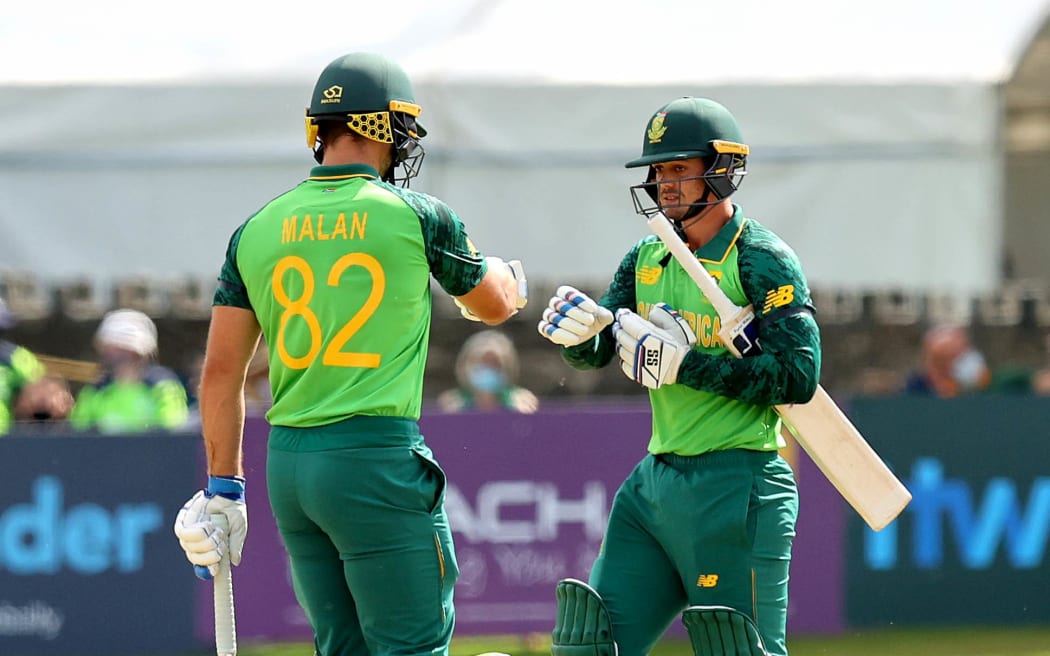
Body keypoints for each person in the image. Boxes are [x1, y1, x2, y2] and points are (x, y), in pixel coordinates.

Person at [172, 52, 527, 656]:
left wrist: (223, 485)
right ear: (386, 128)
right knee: (413, 647)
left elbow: (222, 375)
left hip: (290, 467)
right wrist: (506, 278)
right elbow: (493, 306)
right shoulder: (417, 215)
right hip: (374, 458)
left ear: (321, 130)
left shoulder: (257, 228)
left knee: (343, 648)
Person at [537, 97, 820, 656]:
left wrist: (686, 367)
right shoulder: (647, 256)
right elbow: (600, 351)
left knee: (737, 650)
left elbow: (798, 376)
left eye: (679, 169)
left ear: (720, 169)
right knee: (588, 644)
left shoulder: (761, 259)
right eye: (659, 170)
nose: (665, 184)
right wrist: (581, 337)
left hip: (740, 485)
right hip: (655, 486)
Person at [69, 308, 190, 434]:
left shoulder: (162, 386)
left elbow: (173, 431)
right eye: (108, 348)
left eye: (120, 348)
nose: (111, 354)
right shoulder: (96, 390)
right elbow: (78, 432)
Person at [436, 329, 539, 414]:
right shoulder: (453, 403)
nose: (488, 368)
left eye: (494, 363)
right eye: (482, 362)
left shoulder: (520, 400)